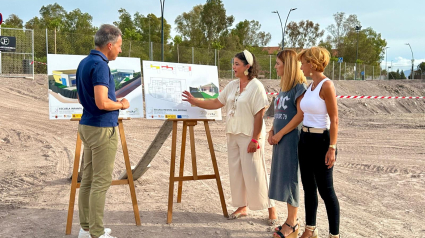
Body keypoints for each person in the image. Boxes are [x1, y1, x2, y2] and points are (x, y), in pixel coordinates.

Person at [182, 50, 277, 225]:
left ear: (247, 66)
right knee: (236, 173)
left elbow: (259, 114)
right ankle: (242, 207)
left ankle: (271, 207)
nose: (233, 67)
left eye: (237, 64)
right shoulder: (232, 85)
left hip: (250, 136)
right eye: (233, 63)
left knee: (256, 172)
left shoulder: (256, 86)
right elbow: (217, 103)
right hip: (232, 134)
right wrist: (195, 101)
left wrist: (255, 139)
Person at [76, 24, 129, 238]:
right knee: (100, 181)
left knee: (88, 179)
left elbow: (81, 97)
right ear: (109, 45)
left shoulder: (84, 62)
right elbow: (101, 102)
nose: (120, 50)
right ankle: (96, 233)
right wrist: (121, 104)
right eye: (119, 45)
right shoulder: (100, 65)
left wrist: (105, 103)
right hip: (101, 128)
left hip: (87, 125)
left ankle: (86, 228)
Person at [297, 46, 340, 238]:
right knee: (308, 188)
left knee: (326, 191)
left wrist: (332, 147)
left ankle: (334, 235)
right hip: (305, 140)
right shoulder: (310, 86)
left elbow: (335, 118)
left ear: (312, 64)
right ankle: (310, 230)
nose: (301, 66)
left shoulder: (326, 85)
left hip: (322, 141)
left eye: (303, 63)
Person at [268, 50, 307, 238]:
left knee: (291, 179)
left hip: (291, 140)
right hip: (280, 139)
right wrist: (271, 131)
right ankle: (290, 220)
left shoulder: (299, 87)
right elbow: (279, 114)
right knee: (282, 178)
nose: (275, 67)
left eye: (278, 63)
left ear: (288, 65)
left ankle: (293, 223)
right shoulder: (283, 87)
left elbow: (300, 115)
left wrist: (281, 134)